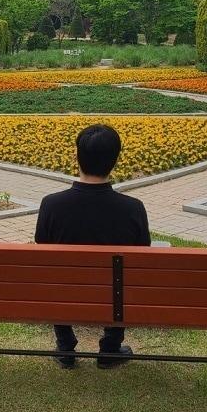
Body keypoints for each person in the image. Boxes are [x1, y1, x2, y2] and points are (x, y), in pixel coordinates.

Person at [34, 123, 150, 369]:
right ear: (115, 160)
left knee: (55, 275)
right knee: (122, 279)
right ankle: (110, 348)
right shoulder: (133, 208)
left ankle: (65, 346)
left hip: (64, 294)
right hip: (114, 298)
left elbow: (42, 249)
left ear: (77, 157)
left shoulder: (51, 205)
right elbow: (143, 256)